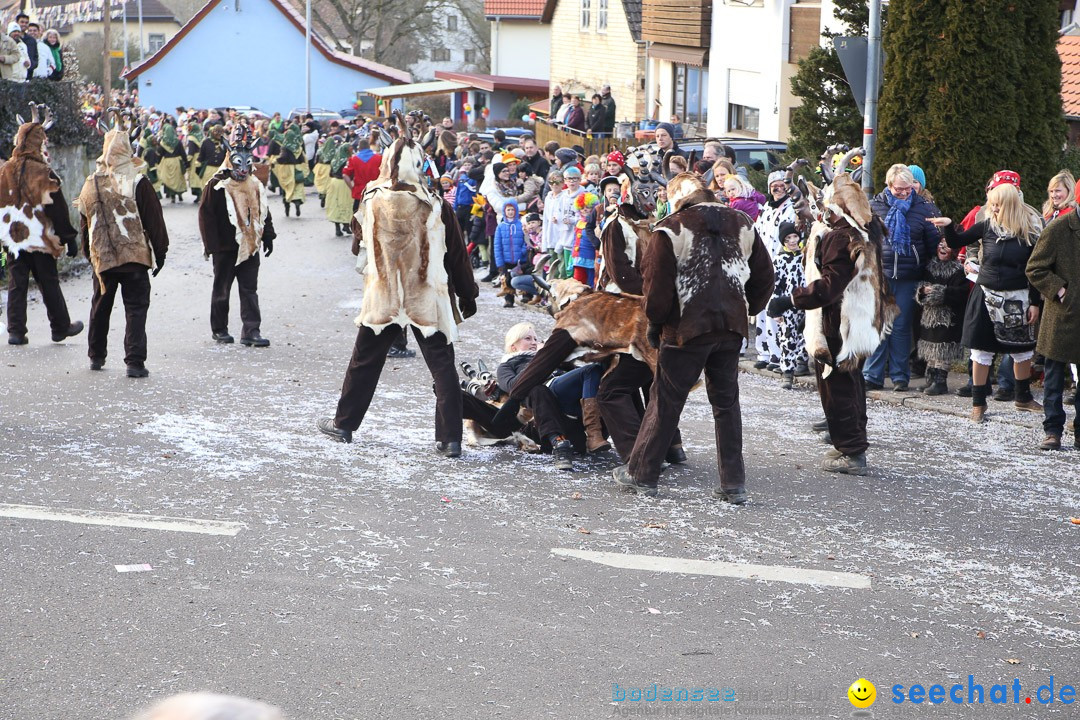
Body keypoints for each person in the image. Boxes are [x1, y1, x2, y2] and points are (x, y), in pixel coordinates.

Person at [317, 129, 479, 456]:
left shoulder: (371, 200)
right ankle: (449, 439)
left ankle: (345, 424)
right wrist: (467, 293)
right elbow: (457, 253)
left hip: (385, 295)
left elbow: (355, 246)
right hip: (426, 295)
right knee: (442, 365)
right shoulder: (434, 204)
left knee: (364, 361)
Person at [615, 173, 774, 501]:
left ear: (678, 199)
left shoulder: (670, 228)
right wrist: (744, 309)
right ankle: (733, 483)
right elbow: (764, 277)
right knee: (726, 404)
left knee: (666, 400)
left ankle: (641, 473)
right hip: (731, 327)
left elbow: (656, 291)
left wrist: (656, 325)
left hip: (686, 328)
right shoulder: (743, 222)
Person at [769, 175, 893, 475]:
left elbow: (829, 287)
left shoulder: (842, 237)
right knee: (851, 382)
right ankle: (851, 443)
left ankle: (851, 450)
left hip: (841, 321)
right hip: (861, 320)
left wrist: (791, 300)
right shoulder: (864, 230)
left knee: (836, 384)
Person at [929, 181, 1043, 422]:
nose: (993, 209)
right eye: (992, 205)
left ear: (1011, 206)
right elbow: (956, 241)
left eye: (998, 205)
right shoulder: (987, 226)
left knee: (1022, 351)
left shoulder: (1030, 232)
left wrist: (1035, 302)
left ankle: (1022, 397)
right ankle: (978, 403)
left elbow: (1035, 270)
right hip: (986, 295)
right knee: (981, 351)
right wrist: (948, 226)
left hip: (1018, 297)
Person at [77, 111, 169, 377]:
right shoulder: (138, 181)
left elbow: (85, 223)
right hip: (133, 258)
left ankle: (96, 356)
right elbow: (154, 220)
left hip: (103, 258)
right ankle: (135, 362)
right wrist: (160, 252)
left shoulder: (90, 183)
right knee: (136, 308)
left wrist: (89, 255)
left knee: (100, 305)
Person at [1, 107, 83, 345]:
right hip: (39, 236)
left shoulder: (5, 169)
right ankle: (60, 327)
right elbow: (57, 207)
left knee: (17, 282)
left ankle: (16, 331)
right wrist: (68, 237)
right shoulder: (44, 171)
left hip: (14, 237)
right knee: (48, 281)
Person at [865, 164, 941, 392]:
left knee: (900, 327)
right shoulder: (874, 206)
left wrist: (928, 271)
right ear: (889, 186)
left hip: (909, 275)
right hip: (881, 274)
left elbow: (931, 244)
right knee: (878, 325)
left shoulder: (923, 207)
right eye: (900, 189)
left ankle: (900, 376)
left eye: (908, 189)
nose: (905, 193)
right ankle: (872, 375)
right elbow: (866, 239)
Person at [198, 126, 276, 348]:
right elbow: (206, 216)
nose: (243, 169)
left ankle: (251, 330)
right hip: (224, 247)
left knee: (249, 289)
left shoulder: (254, 184)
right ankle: (219, 329)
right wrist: (212, 245)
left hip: (249, 244)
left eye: (247, 162)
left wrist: (268, 236)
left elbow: (263, 210)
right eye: (237, 162)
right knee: (222, 288)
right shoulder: (216, 185)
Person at [1026, 206, 1080, 450]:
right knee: (1054, 376)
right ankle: (1053, 430)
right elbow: (1035, 268)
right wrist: (1062, 291)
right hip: (1062, 315)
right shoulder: (1059, 227)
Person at [914, 239, 967, 396]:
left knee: (943, 350)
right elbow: (921, 287)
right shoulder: (929, 267)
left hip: (948, 318)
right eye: (941, 244)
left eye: (948, 245)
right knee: (931, 349)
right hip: (929, 317)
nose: (943, 248)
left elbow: (961, 292)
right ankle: (930, 379)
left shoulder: (958, 270)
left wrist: (938, 292)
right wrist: (923, 291)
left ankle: (940, 381)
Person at [772, 222, 808, 389]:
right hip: (787, 304)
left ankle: (802, 362)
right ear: (783, 241)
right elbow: (776, 285)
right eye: (788, 238)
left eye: (794, 236)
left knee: (806, 334)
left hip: (807, 301)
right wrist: (776, 308)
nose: (792, 241)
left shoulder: (806, 256)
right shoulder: (779, 260)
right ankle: (788, 372)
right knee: (788, 336)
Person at [494, 199, 527, 308]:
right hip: (506, 259)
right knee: (507, 280)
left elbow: (525, 240)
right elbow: (497, 245)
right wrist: (500, 263)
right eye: (508, 210)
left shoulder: (521, 224)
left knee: (524, 275)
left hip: (520, 259)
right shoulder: (500, 227)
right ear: (504, 211)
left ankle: (527, 296)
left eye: (512, 209)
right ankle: (509, 299)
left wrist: (523, 251)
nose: (511, 212)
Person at [270, 124, 305, 216]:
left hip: (286, 169)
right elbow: (302, 159)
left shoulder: (285, 147)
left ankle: (287, 207)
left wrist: (274, 161)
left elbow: (282, 158)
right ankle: (297, 202)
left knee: (286, 188)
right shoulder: (298, 147)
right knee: (297, 188)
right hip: (297, 168)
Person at [343, 136, 382, 213]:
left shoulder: (353, 159)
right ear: (369, 147)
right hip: (375, 192)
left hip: (359, 192)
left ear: (359, 148)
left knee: (358, 218)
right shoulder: (379, 158)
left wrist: (352, 188)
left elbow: (345, 175)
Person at [324, 141, 354, 237]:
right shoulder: (348, 161)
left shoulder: (334, 161)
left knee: (335, 204)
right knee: (346, 203)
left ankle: (337, 228)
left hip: (334, 183)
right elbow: (351, 174)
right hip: (345, 183)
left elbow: (330, 174)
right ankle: (346, 224)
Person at [156, 123, 188, 203]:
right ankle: (180, 195)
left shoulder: (163, 142)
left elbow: (159, 154)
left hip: (167, 162)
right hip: (177, 162)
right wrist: (186, 162)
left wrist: (157, 162)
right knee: (178, 179)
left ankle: (172, 196)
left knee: (169, 179)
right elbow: (183, 153)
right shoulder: (178, 141)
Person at [185, 121, 205, 202]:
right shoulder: (201, 136)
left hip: (195, 158)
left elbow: (191, 151)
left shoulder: (191, 138)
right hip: (202, 157)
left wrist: (188, 161)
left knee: (195, 175)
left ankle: (199, 195)